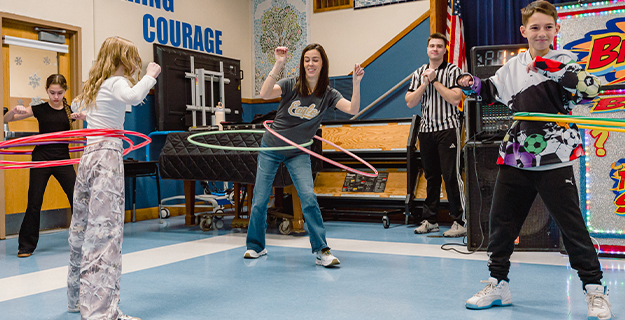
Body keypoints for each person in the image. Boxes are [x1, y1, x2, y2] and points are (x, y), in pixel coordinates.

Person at [458, 1, 612, 319]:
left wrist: (548, 68)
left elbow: (589, 90)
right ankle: (498, 283)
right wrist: (470, 84)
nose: (541, 33)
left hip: (556, 156)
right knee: (500, 222)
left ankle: (595, 289)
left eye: (547, 27)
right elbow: (488, 91)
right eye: (535, 27)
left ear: (556, 29)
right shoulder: (513, 66)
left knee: (572, 226)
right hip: (517, 155)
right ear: (523, 31)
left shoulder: (565, 61)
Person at [66, 36, 161, 320]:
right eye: (132, 57)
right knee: (105, 232)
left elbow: (74, 106)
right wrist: (150, 76)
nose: (135, 62)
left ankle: (76, 300)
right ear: (122, 58)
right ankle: (100, 312)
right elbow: (133, 97)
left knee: (81, 229)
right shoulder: (118, 82)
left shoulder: (95, 85)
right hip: (107, 157)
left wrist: (86, 113)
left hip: (88, 157)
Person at [244, 44, 364, 267]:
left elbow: (353, 109)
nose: (310, 64)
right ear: (302, 64)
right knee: (259, 199)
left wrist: (356, 84)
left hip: (298, 151)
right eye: (307, 59)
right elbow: (264, 94)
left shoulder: (328, 94)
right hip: (271, 148)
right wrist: (279, 64)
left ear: (322, 64)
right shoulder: (291, 84)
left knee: (308, 197)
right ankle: (256, 247)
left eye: (315, 60)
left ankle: (322, 250)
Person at [4, 74, 77, 258]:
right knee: (34, 202)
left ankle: (83, 239)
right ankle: (26, 245)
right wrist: (14, 111)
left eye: (59, 93)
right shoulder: (39, 108)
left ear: (64, 91)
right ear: (46, 91)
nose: (55, 96)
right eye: (52, 92)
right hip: (41, 159)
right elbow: (6, 120)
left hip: (62, 159)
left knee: (78, 199)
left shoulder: (70, 110)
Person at [405, 32, 466, 237]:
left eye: (439, 46)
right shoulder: (418, 72)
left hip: (447, 129)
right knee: (431, 176)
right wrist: (425, 83)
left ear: (444, 50)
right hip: (426, 131)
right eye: (432, 46)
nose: (435, 49)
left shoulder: (452, 70)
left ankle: (460, 220)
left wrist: (436, 81)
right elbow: (410, 101)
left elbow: (456, 98)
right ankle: (430, 219)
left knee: (451, 176)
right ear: (427, 48)